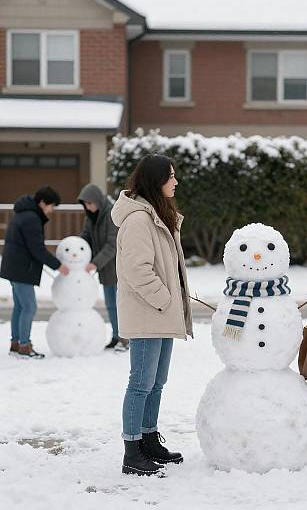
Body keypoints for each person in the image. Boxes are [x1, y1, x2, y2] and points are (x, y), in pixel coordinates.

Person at [111, 154, 193, 477]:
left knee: (157, 383)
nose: (176, 181)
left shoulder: (158, 214)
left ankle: (148, 439)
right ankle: (132, 451)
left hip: (162, 312)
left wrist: (172, 299)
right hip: (149, 312)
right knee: (141, 384)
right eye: (170, 176)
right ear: (155, 181)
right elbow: (137, 270)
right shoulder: (138, 220)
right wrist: (164, 299)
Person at [0, 186, 69, 358]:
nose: (52, 210)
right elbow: (37, 249)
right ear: (43, 203)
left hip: (14, 267)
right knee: (29, 307)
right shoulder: (31, 218)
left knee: (20, 307)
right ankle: (24, 346)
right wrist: (58, 265)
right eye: (51, 206)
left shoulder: (24, 213)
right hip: (21, 269)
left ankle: (16, 343)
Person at [77, 183, 124, 351]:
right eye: (85, 205)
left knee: (120, 305)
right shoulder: (91, 217)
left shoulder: (111, 214)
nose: (88, 207)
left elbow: (112, 245)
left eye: (90, 203)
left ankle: (125, 338)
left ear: (97, 200)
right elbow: (86, 237)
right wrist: (76, 249)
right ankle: (117, 335)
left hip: (117, 267)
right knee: (111, 305)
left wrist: (94, 263)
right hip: (105, 268)